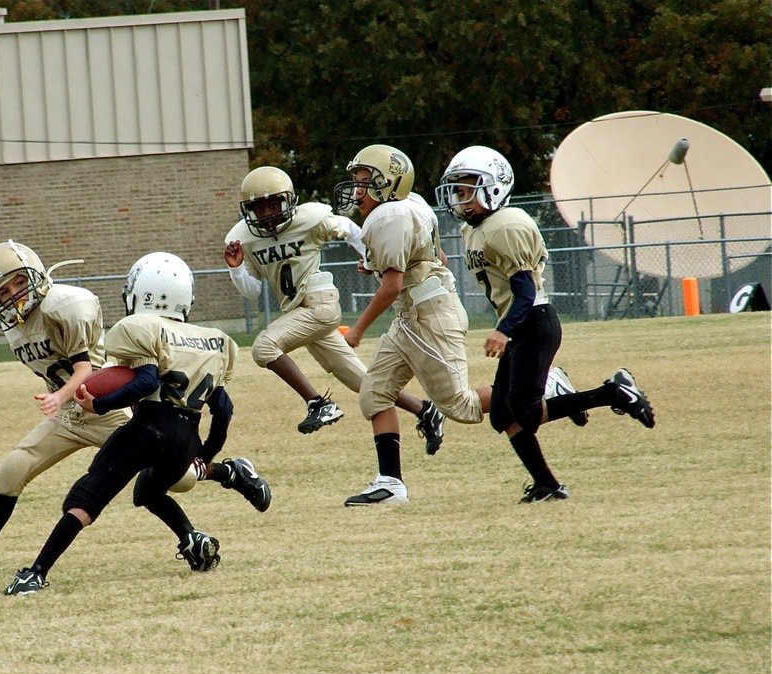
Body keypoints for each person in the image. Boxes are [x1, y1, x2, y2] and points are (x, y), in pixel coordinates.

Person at [0, 242, 270, 583]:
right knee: (13, 468)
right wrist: (62, 400)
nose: (12, 296)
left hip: (105, 406)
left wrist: (61, 397)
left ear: (35, 275)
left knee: (178, 479)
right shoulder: (16, 327)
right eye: (2, 291)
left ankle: (228, 474)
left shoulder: (64, 305)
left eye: (18, 283)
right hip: (70, 413)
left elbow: (83, 370)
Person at [434, 145, 655, 502]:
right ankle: (548, 485)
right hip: (520, 322)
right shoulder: (473, 230)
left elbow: (525, 291)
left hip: (532, 322)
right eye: (458, 191)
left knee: (527, 412)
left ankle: (614, 392)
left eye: (468, 189)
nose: (462, 199)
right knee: (504, 415)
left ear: (493, 187)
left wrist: (503, 330)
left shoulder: (507, 225)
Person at [224, 165, 445, 454]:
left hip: (319, 304)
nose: (267, 213)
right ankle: (425, 410)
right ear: (249, 210)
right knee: (364, 383)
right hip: (297, 312)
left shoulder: (310, 218)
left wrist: (369, 257)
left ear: (288, 200)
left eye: (273, 203)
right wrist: (237, 267)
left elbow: (350, 229)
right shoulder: (244, 238)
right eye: (259, 207)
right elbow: (251, 291)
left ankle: (318, 403)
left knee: (263, 347)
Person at [329, 144, 501, 507]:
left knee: (462, 407)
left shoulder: (389, 216)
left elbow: (391, 287)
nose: (357, 190)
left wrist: (358, 330)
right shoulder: (412, 205)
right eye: (357, 182)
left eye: (365, 182)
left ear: (388, 184)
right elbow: (438, 257)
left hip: (428, 317)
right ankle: (391, 484)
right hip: (414, 315)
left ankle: (545, 385)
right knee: (374, 393)